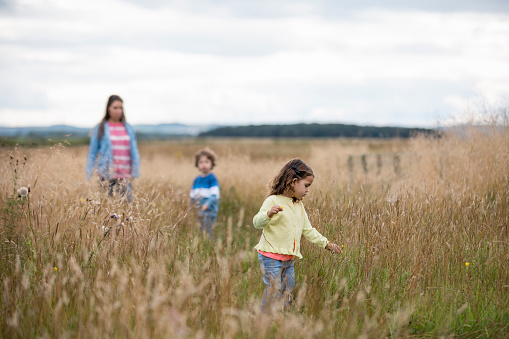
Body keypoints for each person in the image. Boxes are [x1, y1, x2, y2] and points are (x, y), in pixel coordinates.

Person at [253, 158, 342, 313]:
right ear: (293, 182)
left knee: (288, 289)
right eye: (306, 185)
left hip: (288, 259)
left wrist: (326, 244)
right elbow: (257, 223)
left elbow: (308, 230)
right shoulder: (273, 200)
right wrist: (268, 214)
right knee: (274, 289)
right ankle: (264, 319)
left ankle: (281, 316)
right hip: (270, 256)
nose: (307, 190)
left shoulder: (298, 206)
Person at [85, 95, 140, 202]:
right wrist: (89, 175)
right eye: (115, 108)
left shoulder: (128, 128)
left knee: (127, 206)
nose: (118, 111)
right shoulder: (100, 128)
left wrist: (135, 170)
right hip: (106, 174)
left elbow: (134, 151)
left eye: (121, 108)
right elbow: (92, 152)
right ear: (108, 108)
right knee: (107, 207)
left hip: (125, 175)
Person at [189, 148, 220, 239]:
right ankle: (202, 246)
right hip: (199, 210)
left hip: (209, 210)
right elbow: (192, 194)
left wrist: (206, 205)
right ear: (197, 165)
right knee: (200, 229)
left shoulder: (212, 178)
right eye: (201, 162)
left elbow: (214, 195)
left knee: (208, 229)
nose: (203, 164)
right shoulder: (196, 179)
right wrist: (191, 205)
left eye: (206, 162)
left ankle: (209, 247)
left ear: (211, 164)